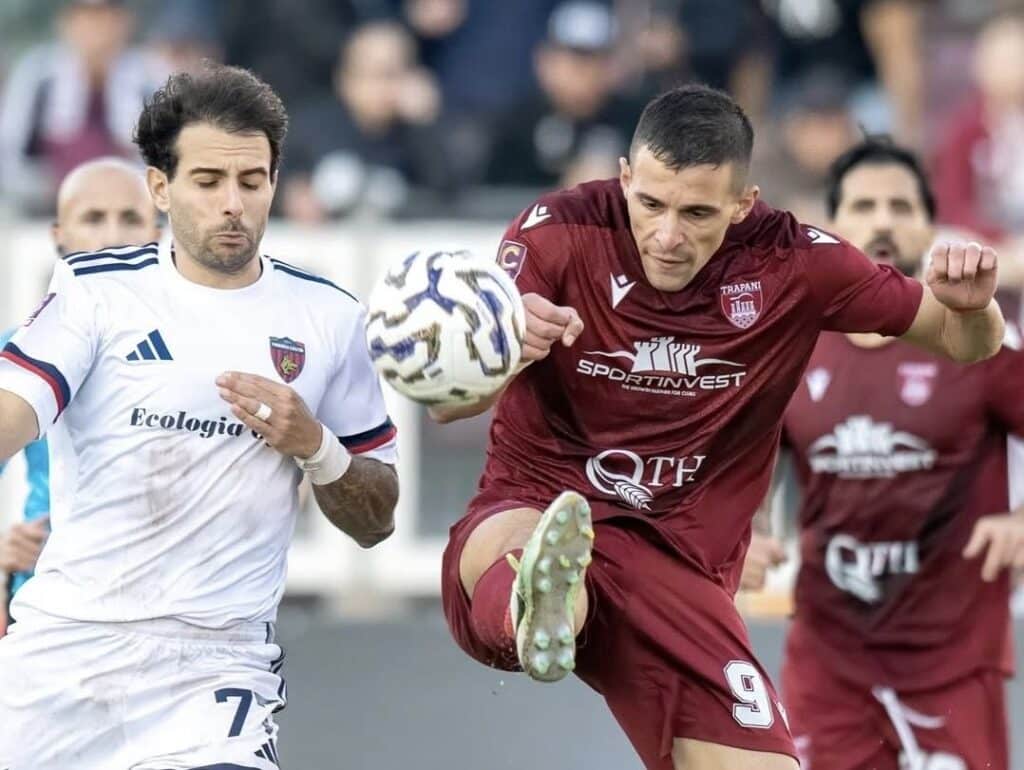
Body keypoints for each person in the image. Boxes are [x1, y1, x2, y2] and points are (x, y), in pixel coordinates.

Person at [431, 85, 1005, 770]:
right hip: (545, 503)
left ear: (743, 203)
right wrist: (499, 351)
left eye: (697, 212)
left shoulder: (796, 261)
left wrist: (975, 308)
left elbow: (965, 342)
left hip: (678, 570)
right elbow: (447, 407)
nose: (668, 235)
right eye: (651, 204)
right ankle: (538, 606)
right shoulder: (556, 231)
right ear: (625, 177)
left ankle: (549, 602)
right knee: (529, 541)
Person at [0, 64, 399, 770]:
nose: (233, 205)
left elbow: (377, 520)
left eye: (252, 181)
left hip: (216, 668)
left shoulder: (329, 317)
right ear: (160, 188)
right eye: (208, 181)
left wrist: (317, 446)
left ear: (275, 182)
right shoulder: (95, 292)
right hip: (66, 652)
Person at [742, 137, 1023, 770]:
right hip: (830, 663)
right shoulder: (791, 346)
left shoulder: (982, 341)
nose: (883, 222)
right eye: (864, 207)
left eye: (900, 206)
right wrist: (747, 536)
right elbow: (745, 463)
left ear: (930, 224)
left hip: (952, 663)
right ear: (833, 225)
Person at [0, 156, 161, 638]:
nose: (112, 235)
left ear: (157, 234)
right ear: (59, 235)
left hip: (172, 616)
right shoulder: (18, 352)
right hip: (48, 611)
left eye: (130, 218)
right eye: (93, 218)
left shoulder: (204, 350)